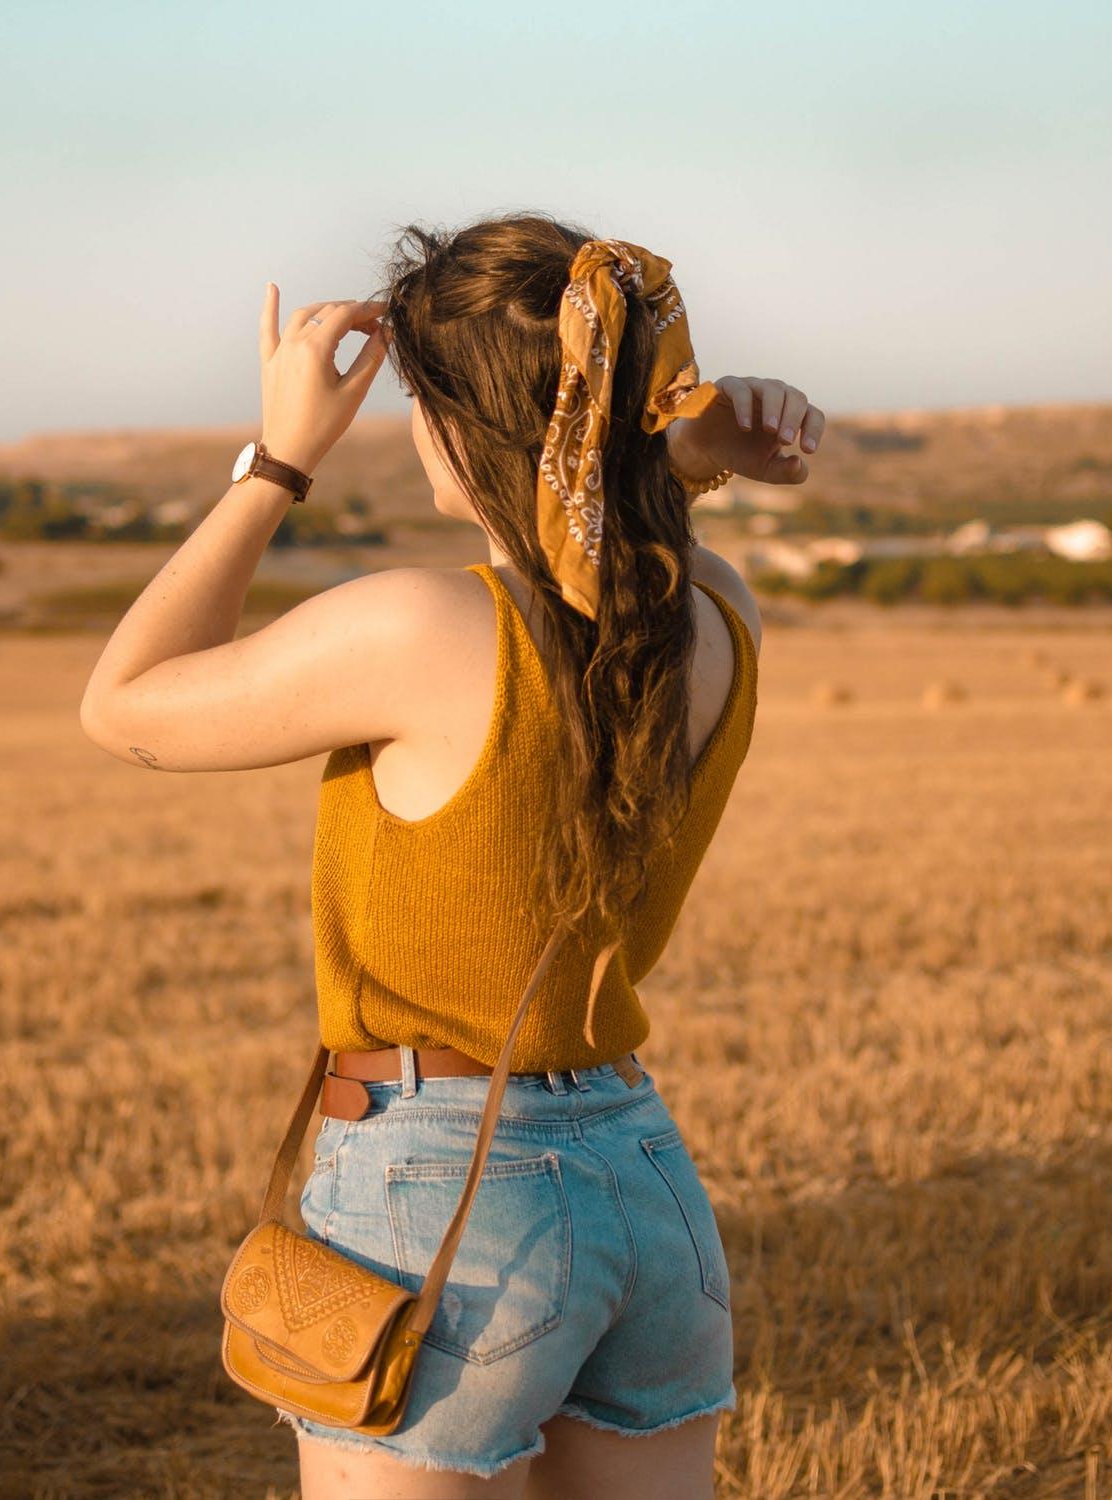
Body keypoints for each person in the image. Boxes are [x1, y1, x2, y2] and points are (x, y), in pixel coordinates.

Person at [78, 211, 821, 1499]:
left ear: (456, 421)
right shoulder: (718, 616)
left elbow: (125, 705)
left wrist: (275, 461)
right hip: (644, 1177)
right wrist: (684, 454)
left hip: (447, 1193)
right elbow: (613, 545)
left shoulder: (418, 629)